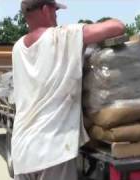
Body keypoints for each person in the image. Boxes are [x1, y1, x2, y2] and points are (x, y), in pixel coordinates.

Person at [11, 0, 125, 179]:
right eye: (55, 11)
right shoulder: (62, 36)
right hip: (52, 152)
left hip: (22, 150)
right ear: (46, 10)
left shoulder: (17, 48)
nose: (57, 15)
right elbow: (117, 27)